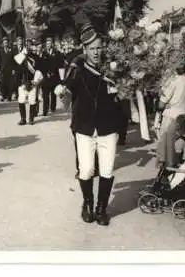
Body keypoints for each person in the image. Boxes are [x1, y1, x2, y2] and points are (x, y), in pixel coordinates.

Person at [55, 25, 121, 226]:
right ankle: (87, 204)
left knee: (107, 170)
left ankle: (102, 208)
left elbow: (123, 93)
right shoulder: (78, 69)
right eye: (92, 49)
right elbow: (68, 87)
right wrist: (63, 91)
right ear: (85, 50)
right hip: (84, 127)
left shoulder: (113, 69)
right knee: (86, 170)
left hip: (107, 127)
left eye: (99, 48)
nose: (96, 52)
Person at [156, 61, 185, 169]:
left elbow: (161, 103)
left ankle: (165, 171)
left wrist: (162, 104)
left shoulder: (173, 81)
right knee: (177, 145)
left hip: (170, 115)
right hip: (183, 113)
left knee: (166, 148)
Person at [14, 39, 44, 125]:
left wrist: (36, 81)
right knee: (21, 100)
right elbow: (17, 68)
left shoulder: (35, 57)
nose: (28, 47)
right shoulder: (20, 57)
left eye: (30, 45)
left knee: (32, 101)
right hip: (22, 82)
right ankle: (23, 119)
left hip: (32, 82)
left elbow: (39, 69)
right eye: (26, 45)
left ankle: (31, 119)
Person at [43, 36, 65, 114]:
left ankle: (52, 107)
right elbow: (41, 65)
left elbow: (60, 65)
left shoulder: (57, 53)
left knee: (53, 93)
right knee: (45, 95)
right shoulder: (43, 53)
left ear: (52, 44)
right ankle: (45, 110)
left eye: (50, 43)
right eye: (47, 44)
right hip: (45, 77)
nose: (48, 45)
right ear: (45, 45)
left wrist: (61, 78)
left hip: (54, 76)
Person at [0, 36, 15, 102]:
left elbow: (14, 60)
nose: (5, 43)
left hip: (10, 69)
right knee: (3, 84)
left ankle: (9, 96)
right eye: (4, 42)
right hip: (3, 69)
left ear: (8, 43)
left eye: (6, 42)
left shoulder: (11, 50)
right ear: (3, 43)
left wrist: (13, 69)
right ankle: (3, 96)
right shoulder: (1, 50)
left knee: (10, 84)